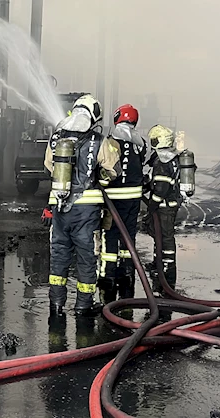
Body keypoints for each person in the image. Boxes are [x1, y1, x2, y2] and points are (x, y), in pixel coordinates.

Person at [41, 94, 122, 317]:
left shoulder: (56, 138)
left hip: (61, 208)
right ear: (94, 114)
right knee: (86, 258)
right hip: (86, 213)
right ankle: (83, 305)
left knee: (59, 256)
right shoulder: (98, 140)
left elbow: (49, 166)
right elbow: (114, 170)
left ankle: (56, 304)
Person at [98, 104, 147, 303]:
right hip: (133, 198)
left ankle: (108, 275)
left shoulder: (110, 139)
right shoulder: (140, 142)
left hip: (113, 198)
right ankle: (127, 271)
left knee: (110, 234)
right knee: (129, 234)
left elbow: (106, 166)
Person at [144, 124, 181, 293]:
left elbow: (161, 188)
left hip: (164, 207)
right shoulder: (171, 157)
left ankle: (168, 269)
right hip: (169, 205)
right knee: (158, 234)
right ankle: (158, 262)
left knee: (165, 237)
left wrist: (152, 204)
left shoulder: (162, 162)